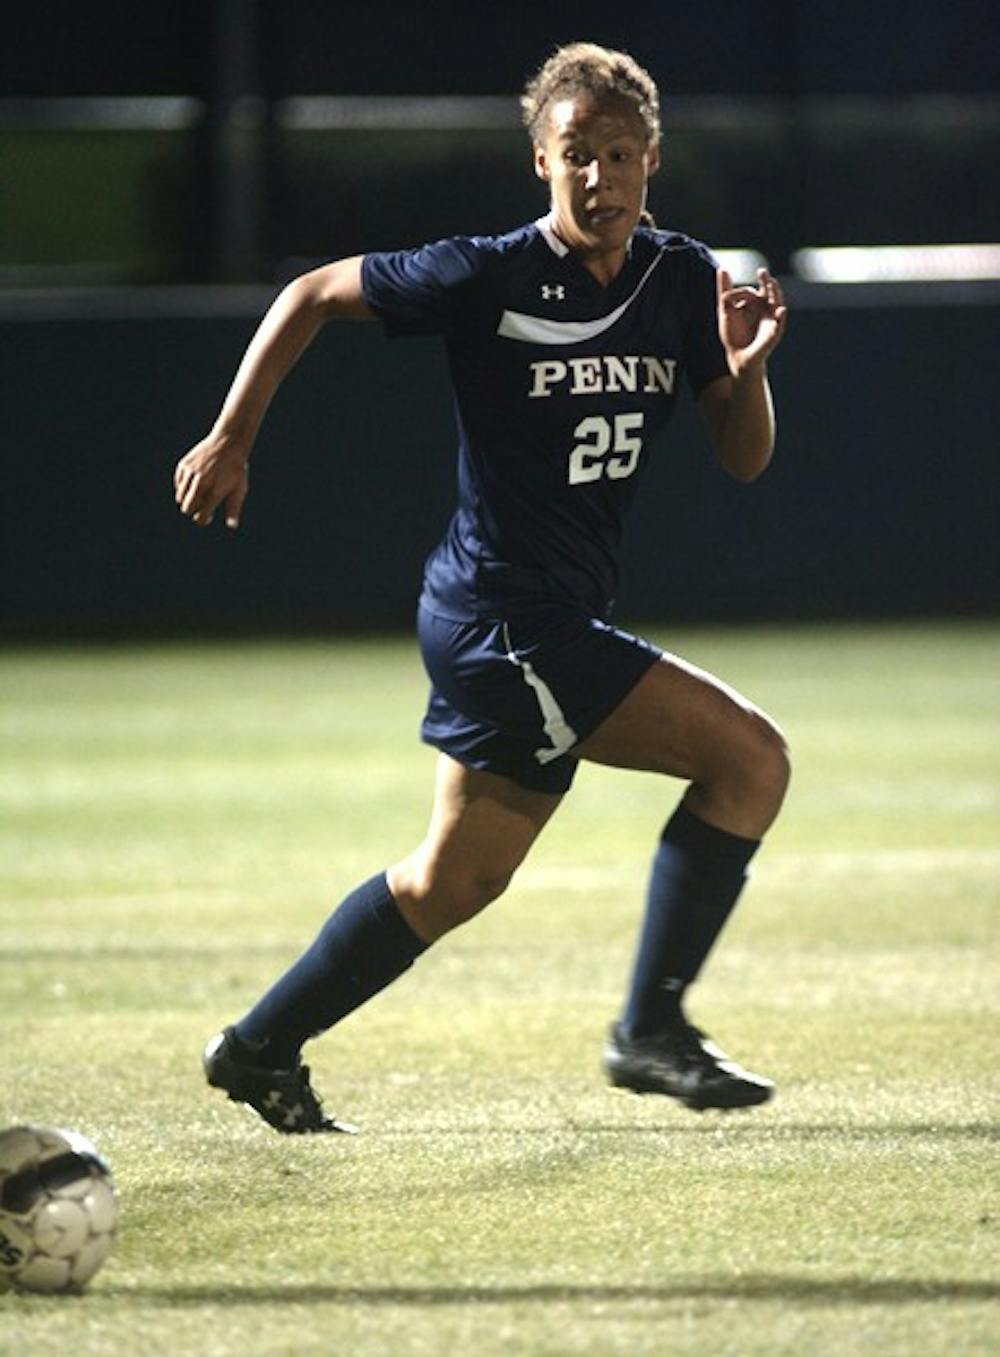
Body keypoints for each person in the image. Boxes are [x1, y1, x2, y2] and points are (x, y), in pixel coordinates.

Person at [174, 42, 790, 1134]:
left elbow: (743, 457)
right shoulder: (489, 272)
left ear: (652, 160)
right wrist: (231, 436)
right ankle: (649, 1030)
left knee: (451, 882)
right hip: (505, 619)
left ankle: (258, 1046)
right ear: (536, 162)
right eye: (572, 156)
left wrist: (745, 372)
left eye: (616, 155)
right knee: (750, 758)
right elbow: (312, 291)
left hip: (538, 618)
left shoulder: (685, 279)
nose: (595, 178)